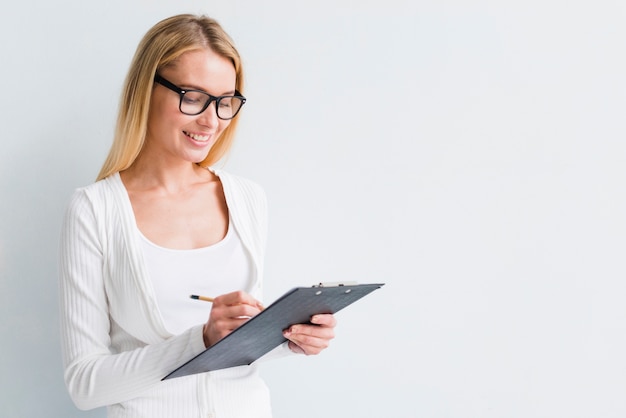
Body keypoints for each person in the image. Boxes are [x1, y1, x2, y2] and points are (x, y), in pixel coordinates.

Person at [58, 14, 336, 418]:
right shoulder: (94, 210)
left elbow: (238, 347)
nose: (212, 120)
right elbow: (84, 385)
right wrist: (199, 341)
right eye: (192, 97)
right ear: (146, 90)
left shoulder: (246, 198)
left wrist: (289, 337)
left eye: (226, 102)